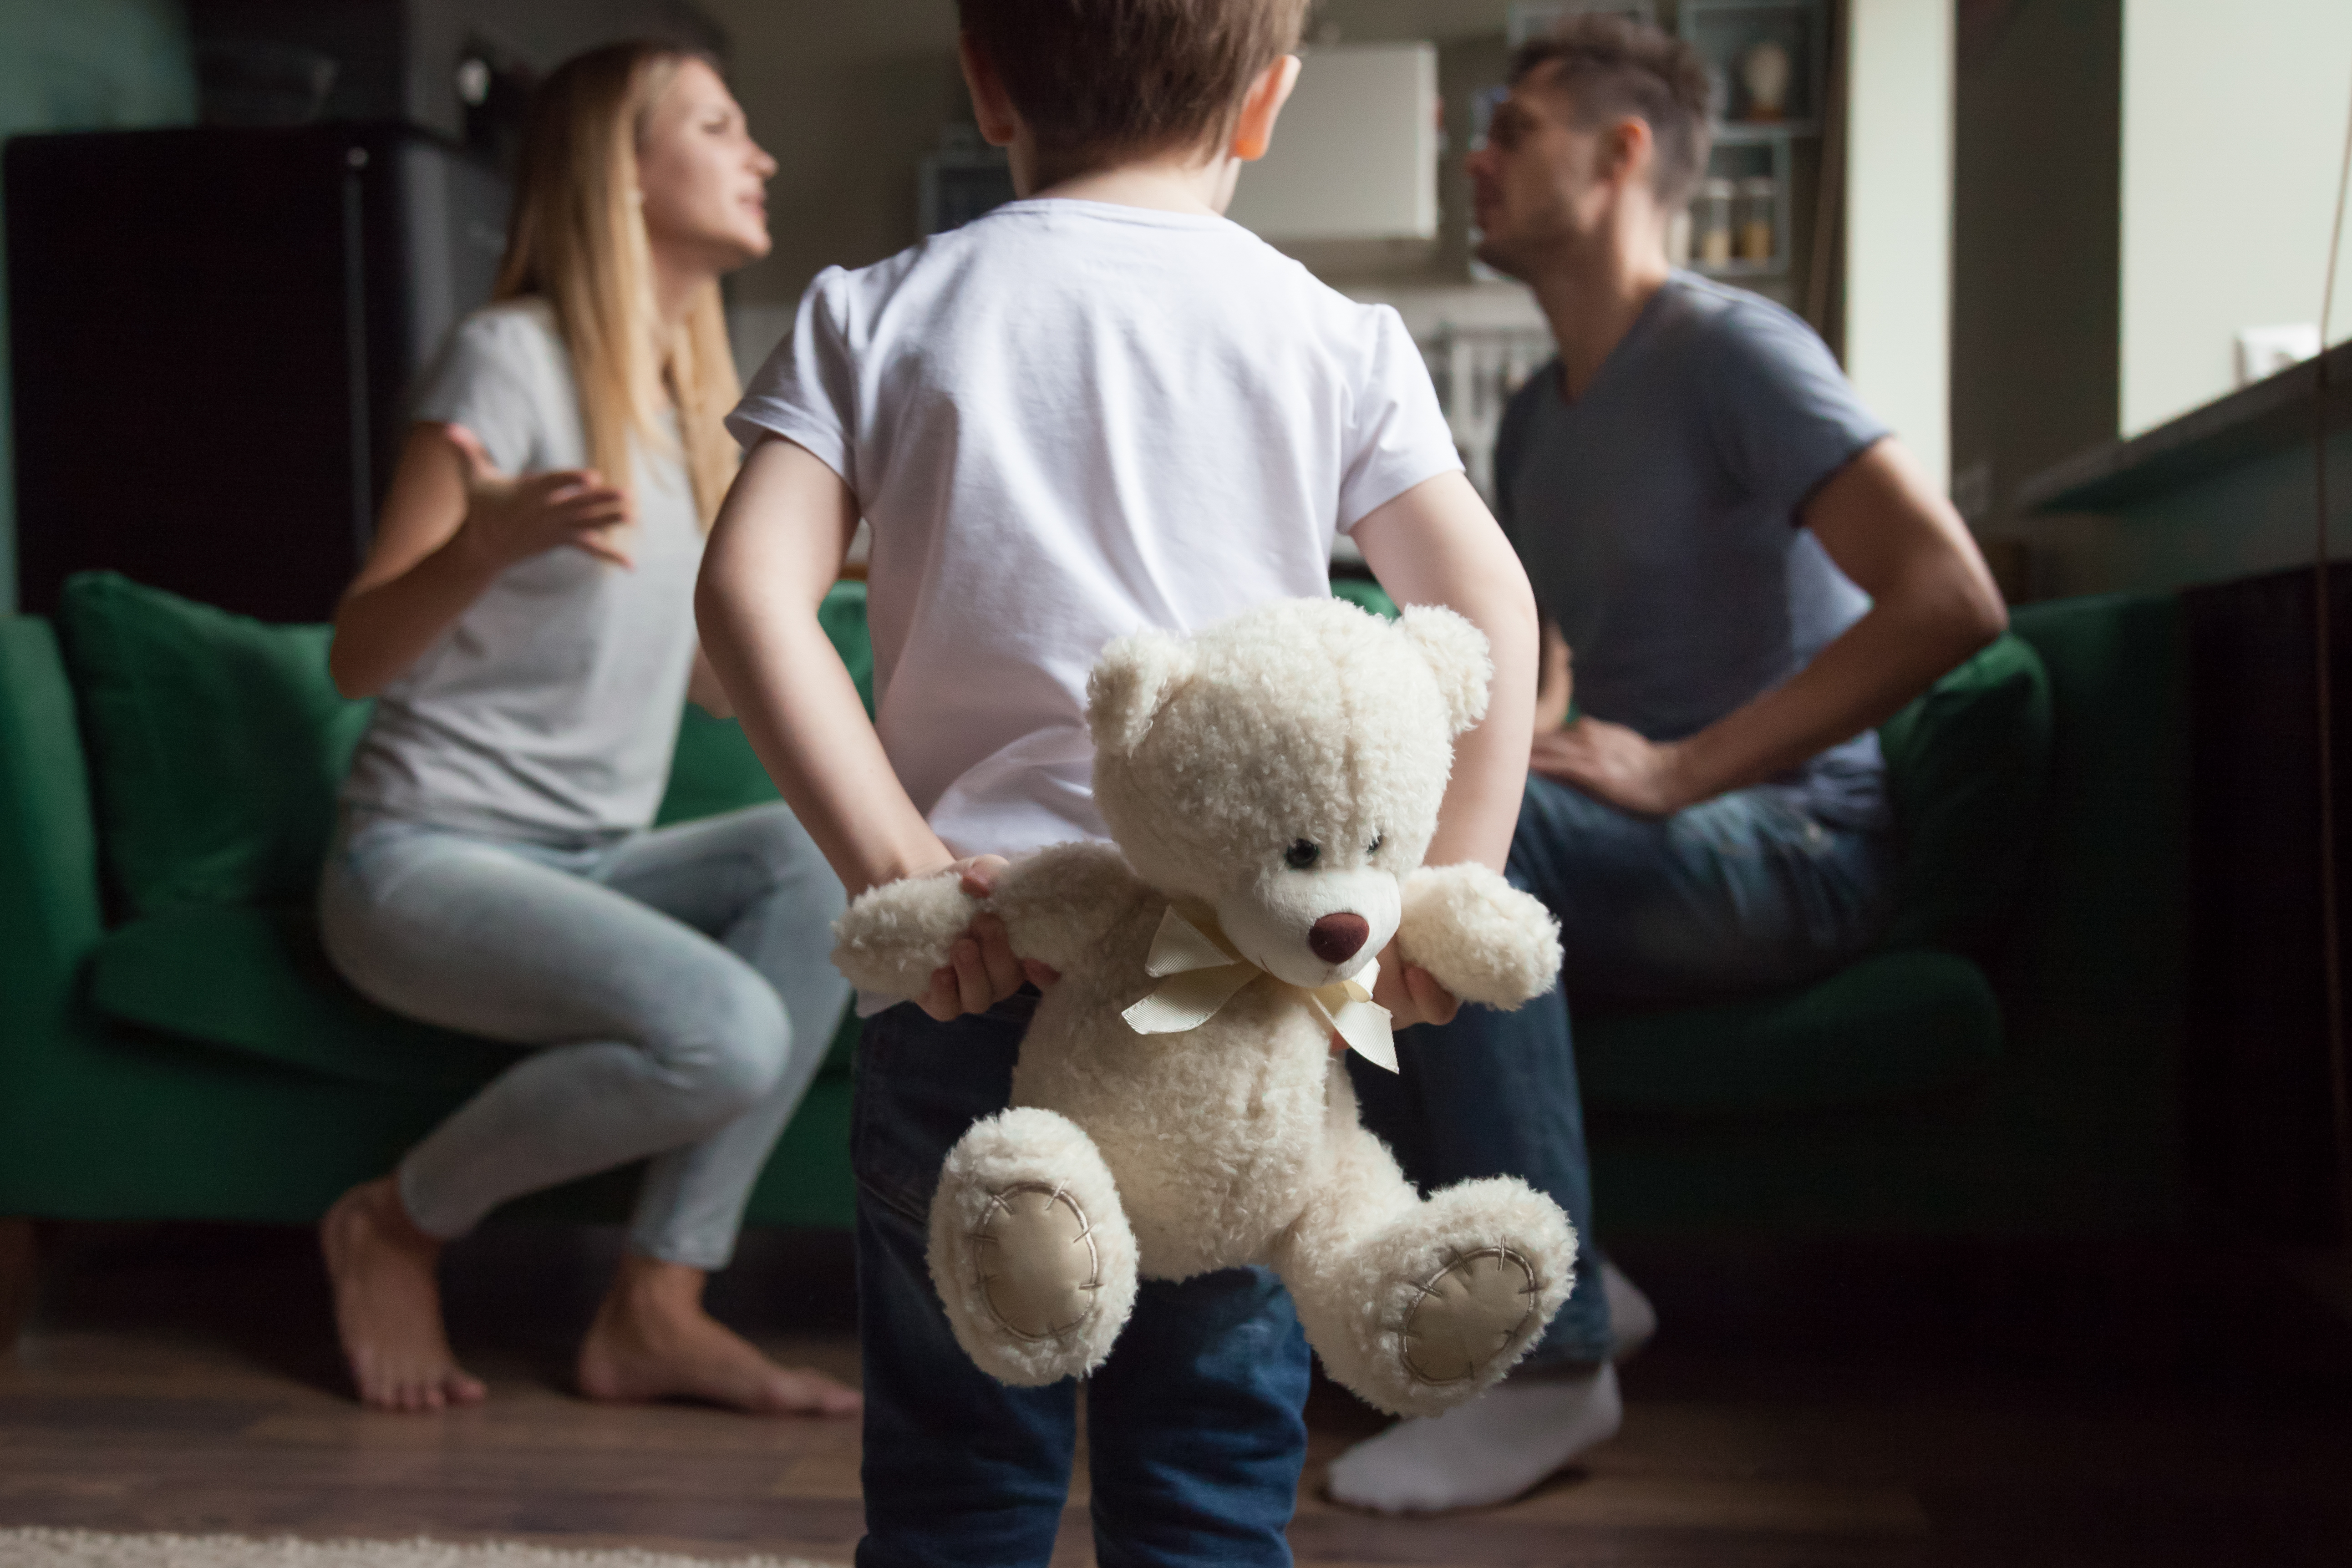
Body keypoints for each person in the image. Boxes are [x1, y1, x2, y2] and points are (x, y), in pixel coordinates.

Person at [695, 1, 1540, 1559]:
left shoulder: (873, 310)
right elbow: (1486, 614)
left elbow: (749, 595)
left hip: (983, 959)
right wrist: (1440, 894)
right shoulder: (1331, 332)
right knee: (1211, 1481)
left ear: (985, 75)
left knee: (960, 1480)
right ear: (1269, 103)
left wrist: (899, 866)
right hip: (1244, 997)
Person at [1326, 14, 2011, 1515]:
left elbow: (1954, 595)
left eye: (1513, 126)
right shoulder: (1527, 423)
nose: (1476, 154)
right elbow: (1556, 674)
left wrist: (1682, 770)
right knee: (1336, 875)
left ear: (1625, 151)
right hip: (1656, 846)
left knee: (1475, 864)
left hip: (1793, 851)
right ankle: (1584, 1270)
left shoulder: (1733, 351)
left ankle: (1556, 1363)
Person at [314, 41, 861, 1421]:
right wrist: (476, 552)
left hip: (592, 856)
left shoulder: (697, 419)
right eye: (721, 126)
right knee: (727, 1034)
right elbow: (356, 656)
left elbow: (716, 691)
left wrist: (835, 572)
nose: (763, 157)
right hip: (423, 865)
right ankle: (395, 1223)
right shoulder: (504, 363)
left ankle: (654, 1307)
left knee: (830, 866)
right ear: (622, 168)